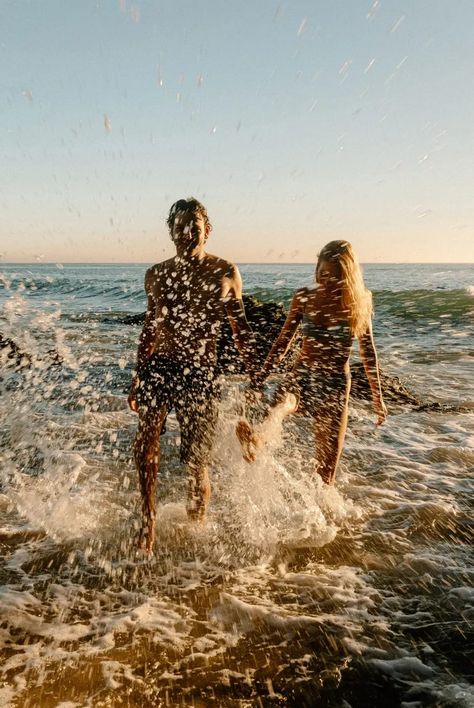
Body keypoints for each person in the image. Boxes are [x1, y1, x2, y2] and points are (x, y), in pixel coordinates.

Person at [128, 198, 256, 554]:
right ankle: (147, 521)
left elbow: (241, 328)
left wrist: (254, 378)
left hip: (200, 372)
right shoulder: (156, 274)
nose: (187, 234)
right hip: (162, 366)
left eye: (194, 227)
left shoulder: (225, 272)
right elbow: (150, 329)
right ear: (170, 232)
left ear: (207, 230)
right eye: (180, 227)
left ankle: (196, 525)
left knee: (196, 462)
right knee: (146, 441)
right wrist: (139, 375)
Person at [237, 240, 387, 484]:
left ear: (348, 275)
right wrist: (260, 378)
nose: (327, 280)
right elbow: (283, 343)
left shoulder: (359, 303)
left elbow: (368, 354)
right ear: (317, 268)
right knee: (284, 404)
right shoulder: (304, 297)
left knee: (326, 473)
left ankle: (321, 518)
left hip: (335, 387)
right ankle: (255, 440)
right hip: (302, 375)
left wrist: (378, 398)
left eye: (335, 276)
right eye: (323, 273)